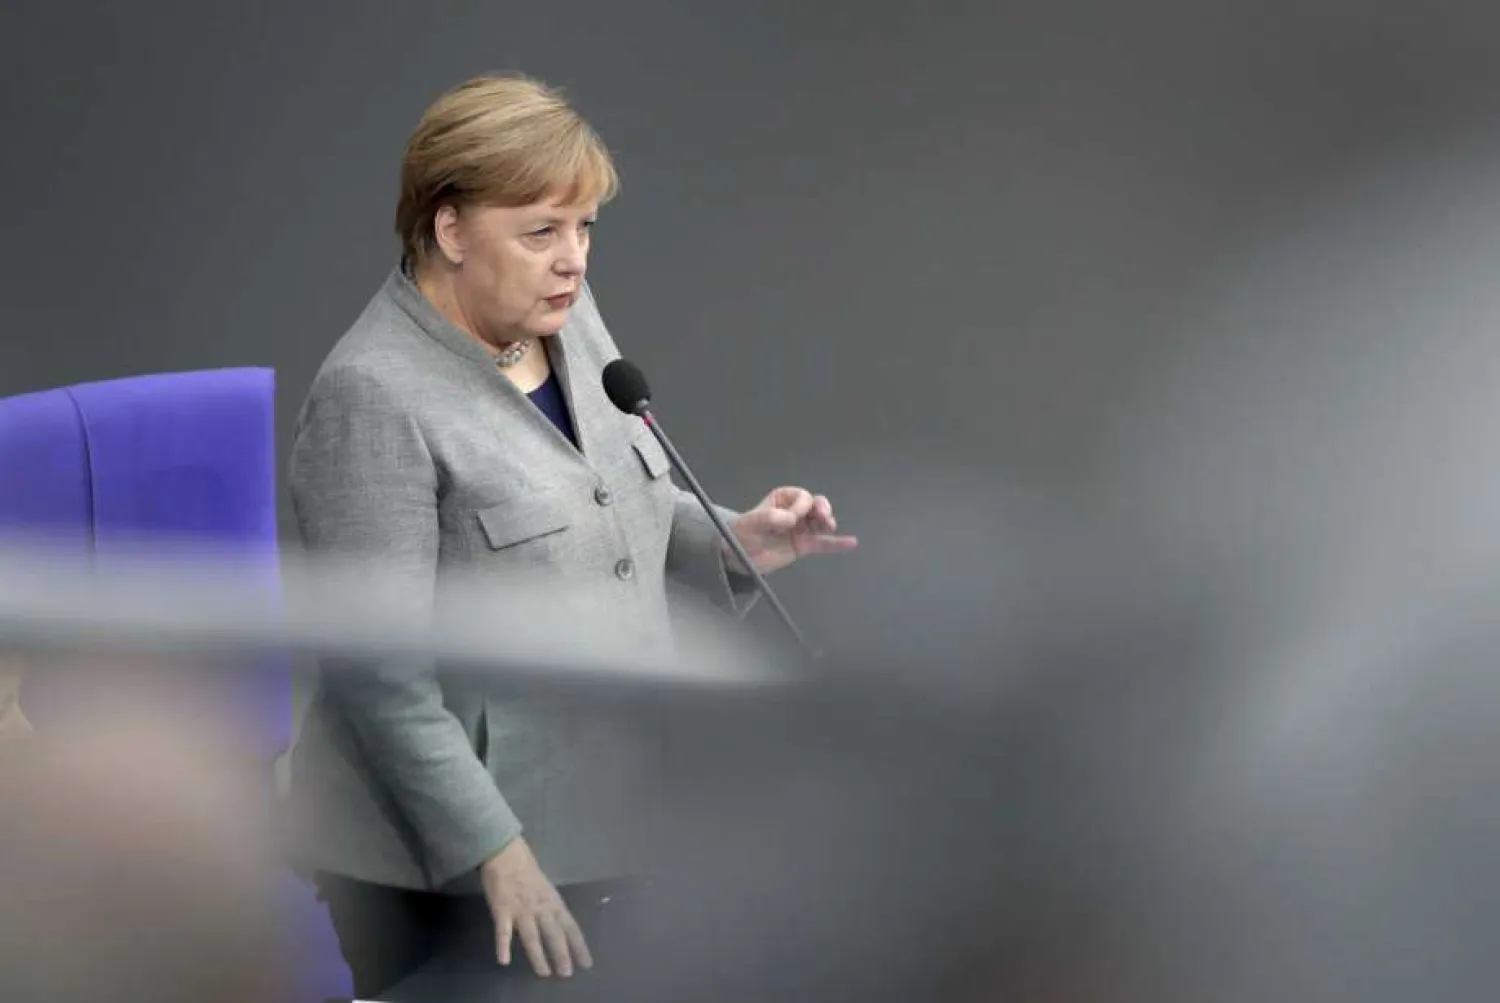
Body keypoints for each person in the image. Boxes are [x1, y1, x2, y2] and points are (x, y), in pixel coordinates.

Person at [283, 72, 857, 997]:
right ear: (451, 228)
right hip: (446, 864)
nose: (574, 260)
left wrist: (733, 542)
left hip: (606, 802)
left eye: (585, 227)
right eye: (542, 231)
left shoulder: (566, 320)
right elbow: (376, 673)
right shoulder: (373, 396)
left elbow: (609, 504)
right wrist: (494, 854)